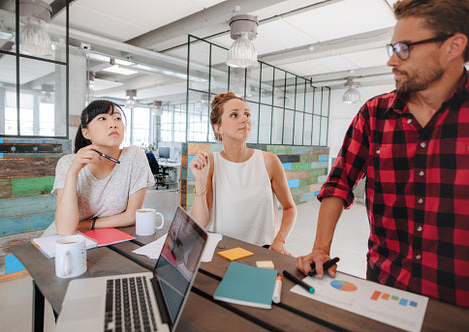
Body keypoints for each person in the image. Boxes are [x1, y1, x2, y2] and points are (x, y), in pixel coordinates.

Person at [295, 0, 469, 307]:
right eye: (391, 48)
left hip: (457, 300)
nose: (392, 61)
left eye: (404, 48)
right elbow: (339, 182)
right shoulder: (375, 114)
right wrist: (321, 249)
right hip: (385, 283)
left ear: (453, 46)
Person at [189, 92, 297, 255]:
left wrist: (280, 240)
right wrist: (199, 180)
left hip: (261, 251)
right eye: (234, 115)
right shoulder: (210, 164)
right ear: (219, 128)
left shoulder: (269, 161)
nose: (245, 119)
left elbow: (289, 208)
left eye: (247, 114)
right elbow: (199, 223)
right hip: (220, 251)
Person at [43, 100, 155, 237]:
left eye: (117, 118)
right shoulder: (68, 164)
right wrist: (73, 172)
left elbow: (132, 216)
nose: (113, 124)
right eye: (102, 118)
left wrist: (87, 224)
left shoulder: (134, 156)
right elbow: (65, 230)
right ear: (86, 133)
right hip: (64, 242)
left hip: (106, 238)